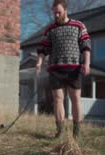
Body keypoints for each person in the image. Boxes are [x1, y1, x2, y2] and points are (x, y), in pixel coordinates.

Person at [36, 0, 91, 139]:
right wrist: (39, 62)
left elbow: (86, 46)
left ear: (65, 10)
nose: (56, 15)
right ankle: (60, 131)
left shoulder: (78, 25)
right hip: (55, 69)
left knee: (75, 99)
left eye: (59, 12)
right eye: (54, 12)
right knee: (58, 99)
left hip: (74, 69)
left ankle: (76, 133)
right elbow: (43, 48)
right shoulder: (50, 29)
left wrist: (87, 63)